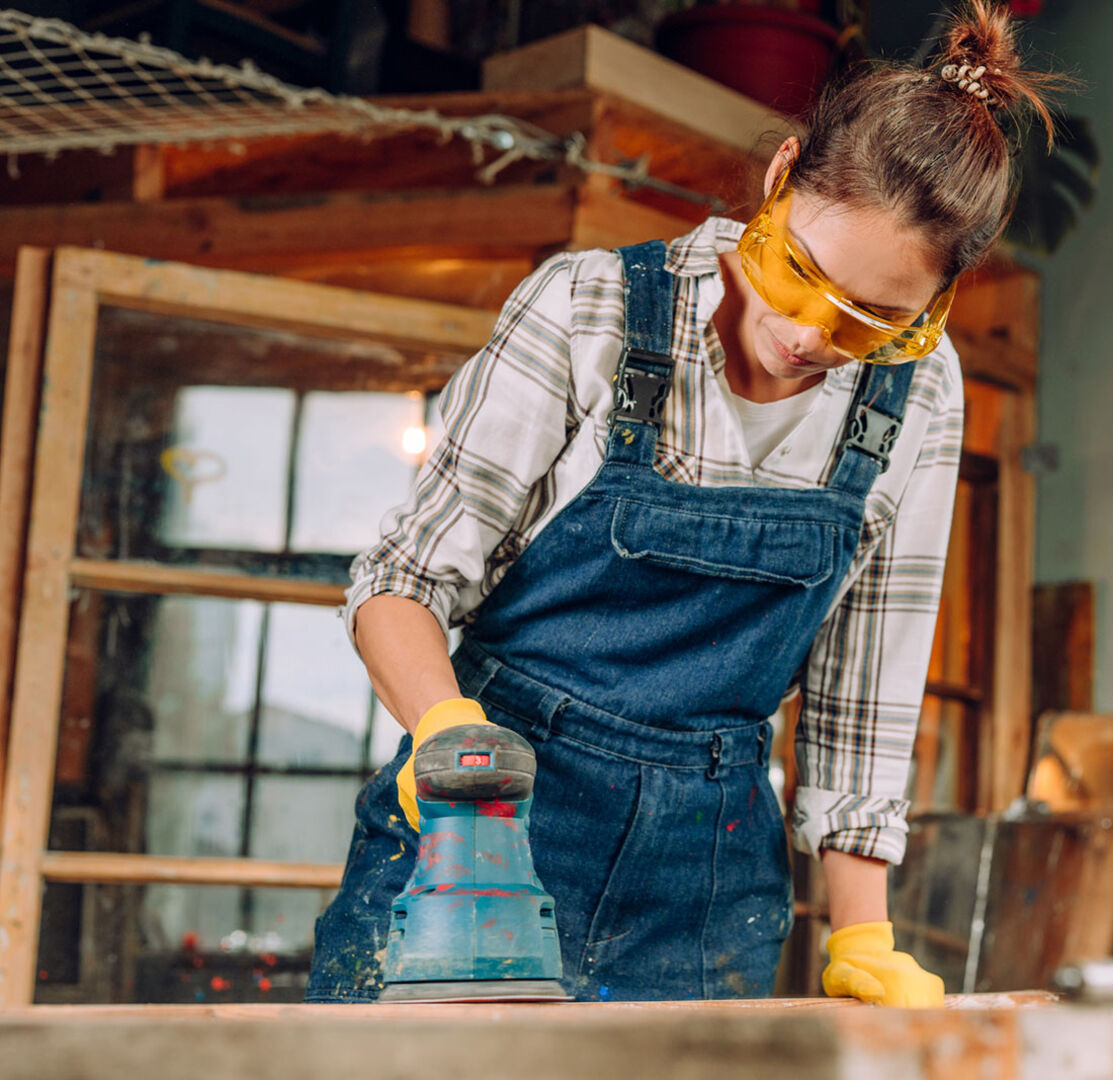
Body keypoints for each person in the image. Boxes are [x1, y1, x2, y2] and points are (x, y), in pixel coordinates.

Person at [306, 0, 1058, 1006]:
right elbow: (400, 583)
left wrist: (861, 935)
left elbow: (862, 692)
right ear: (781, 176)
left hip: (704, 886)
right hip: (487, 828)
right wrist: (445, 735)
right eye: (800, 274)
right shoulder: (588, 309)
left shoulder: (918, 390)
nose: (806, 337)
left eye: (872, 320)